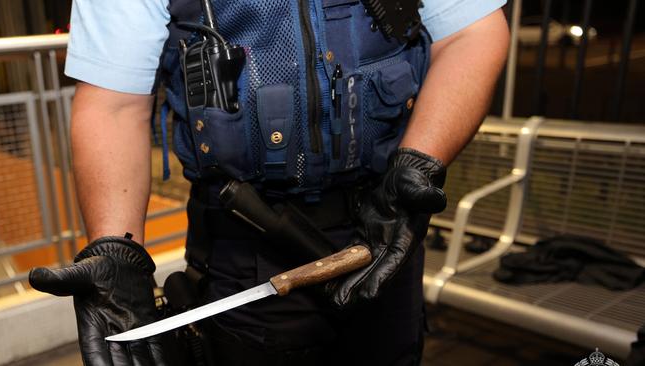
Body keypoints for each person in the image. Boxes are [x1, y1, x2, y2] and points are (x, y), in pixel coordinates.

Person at [28, 0, 509, 365]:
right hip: (245, 245)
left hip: (385, 231)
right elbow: (114, 103)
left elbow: (472, 33)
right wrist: (117, 249)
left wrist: (419, 164)